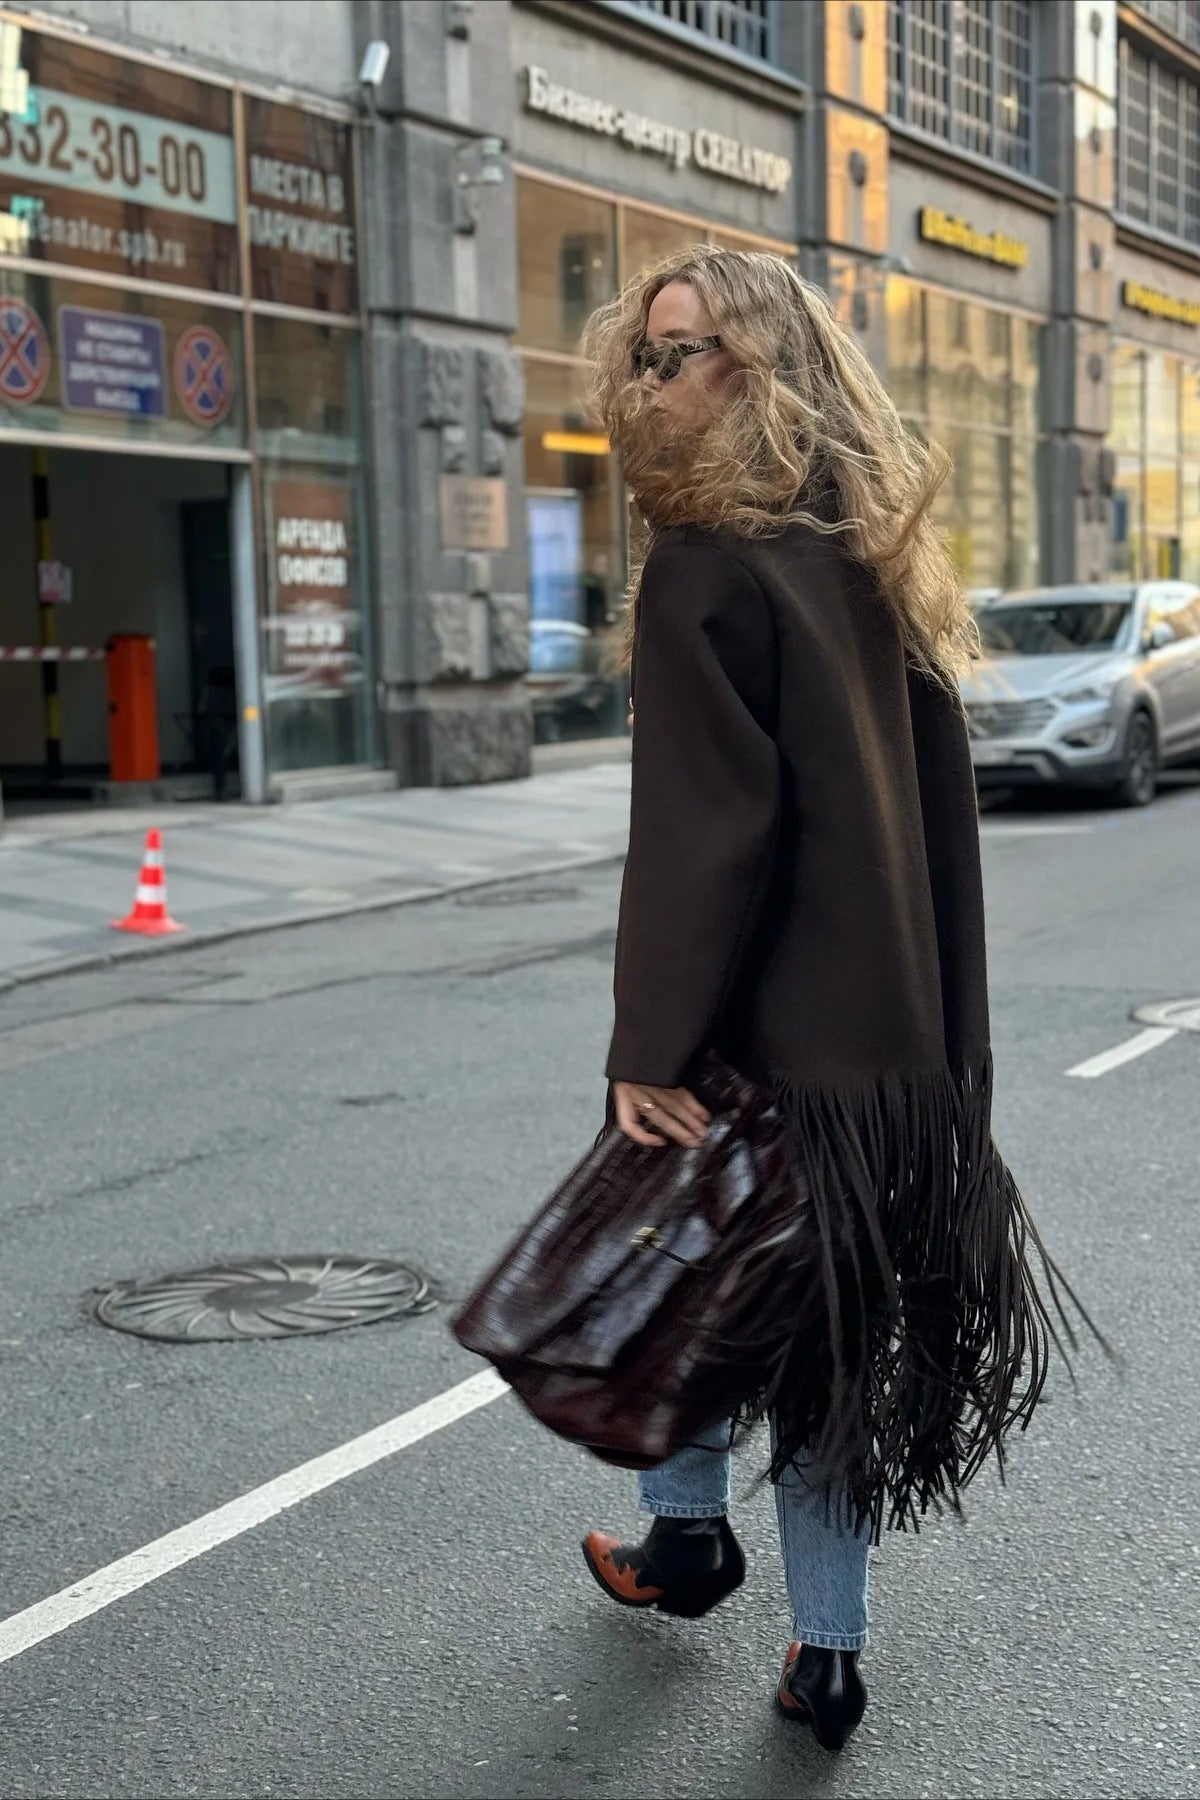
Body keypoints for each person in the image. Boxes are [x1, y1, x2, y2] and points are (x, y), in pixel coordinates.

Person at [575, 248, 1076, 1754]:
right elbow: (941, 842)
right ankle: (823, 1654)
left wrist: (646, 1045)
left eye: (691, 353)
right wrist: (948, 1059)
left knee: (688, 1282)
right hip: (896, 1055)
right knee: (828, 1350)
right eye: (651, 356)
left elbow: (702, 842)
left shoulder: (707, 572)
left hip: (764, 1045)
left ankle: (691, 1537)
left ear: (768, 366)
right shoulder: (877, 556)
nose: (661, 384)